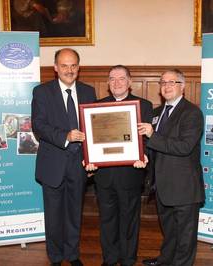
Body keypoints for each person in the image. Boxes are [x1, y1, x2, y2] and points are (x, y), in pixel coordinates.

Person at [31, 48, 96, 266]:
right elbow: (38, 126)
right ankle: (56, 257)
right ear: (56, 68)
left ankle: (72, 254)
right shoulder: (42, 92)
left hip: (79, 164)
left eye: (73, 65)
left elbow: (94, 128)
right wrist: (65, 136)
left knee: (74, 212)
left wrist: (93, 156)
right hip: (53, 163)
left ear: (79, 68)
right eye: (64, 65)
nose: (69, 70)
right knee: (54, 214)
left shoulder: (89, 92)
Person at [86, 65, 153, 266]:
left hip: (131, 173)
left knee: (129, 220)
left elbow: (148, 140)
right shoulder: (96, 107)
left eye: (121, 78)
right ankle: (110, 258)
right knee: (107, 220)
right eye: (112, 79)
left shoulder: (144, 106)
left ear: (130, 82)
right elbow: (91, 140)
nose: (116, 83)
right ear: (108, 83)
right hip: (104, 175)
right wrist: (89, 158)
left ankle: (128, 259)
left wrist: (145, 155)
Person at [138, 69, 205, 266]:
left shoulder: (192, 113)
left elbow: (184, 147)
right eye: (163, 82)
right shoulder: (157, 113)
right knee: (169, 230)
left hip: (184, 187)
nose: (166, 86)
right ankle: (165, 260)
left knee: (185, 235)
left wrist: (152, 135)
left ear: (182, 87)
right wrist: (142, 155)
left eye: (172, 82)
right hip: (161, 185)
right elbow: (153, 146)